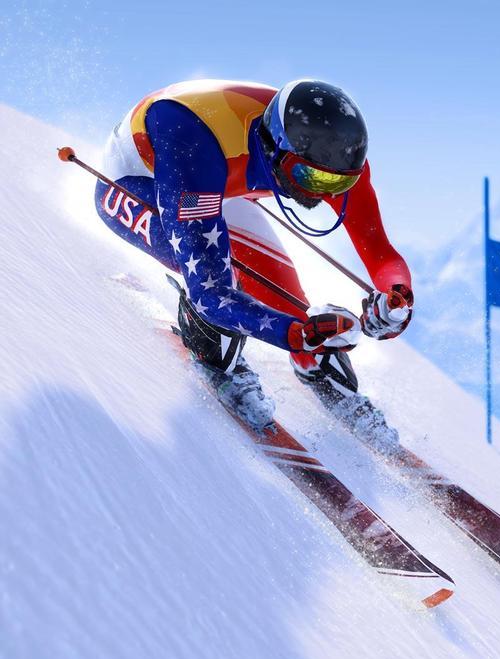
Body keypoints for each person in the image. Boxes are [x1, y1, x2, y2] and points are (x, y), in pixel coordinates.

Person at [94, 78, 413, 427]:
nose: (320, 192)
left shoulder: (334, 159)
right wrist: (296, 334)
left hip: (218, 184)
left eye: (336, 184)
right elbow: (211, 292)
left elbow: (381, 253)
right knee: (213, 270)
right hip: (140, 181)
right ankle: (214, 354)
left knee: (291, 304)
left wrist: (396, 298)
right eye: (310, 177)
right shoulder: (195, 144)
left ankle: (315, 364)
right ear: (276, 147)